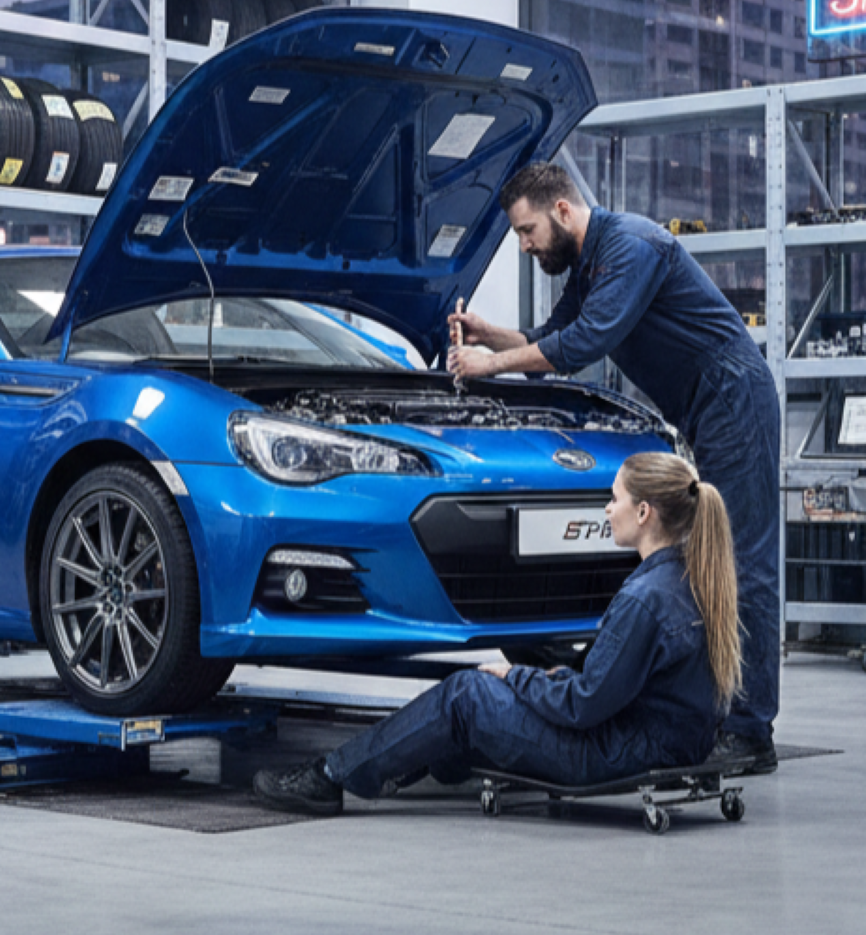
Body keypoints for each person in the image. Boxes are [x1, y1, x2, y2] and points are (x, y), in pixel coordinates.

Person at [448, 162, 781, 772]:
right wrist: (486, 334)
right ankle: (710, 709)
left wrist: (486, 366)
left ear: (562, 211)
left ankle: (750, 730)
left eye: (526, 231)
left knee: (742, 562)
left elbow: (582, 345)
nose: (524, 247)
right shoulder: (589, 263)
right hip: (702, 407)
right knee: (708, 556)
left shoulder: (631, 246)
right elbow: (551, 334)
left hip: (734, 400)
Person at [252, 453, 742, 816]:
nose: (606, 509)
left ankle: (329, 776)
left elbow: (584, 706)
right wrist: (548, 678)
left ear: (644, 513)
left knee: (466, 694)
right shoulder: (693, 579)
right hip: (670, 743)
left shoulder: (644, 598)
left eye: (614, 499)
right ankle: (415, 760)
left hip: (615, 752)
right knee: (478, 714)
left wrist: (517, 676)